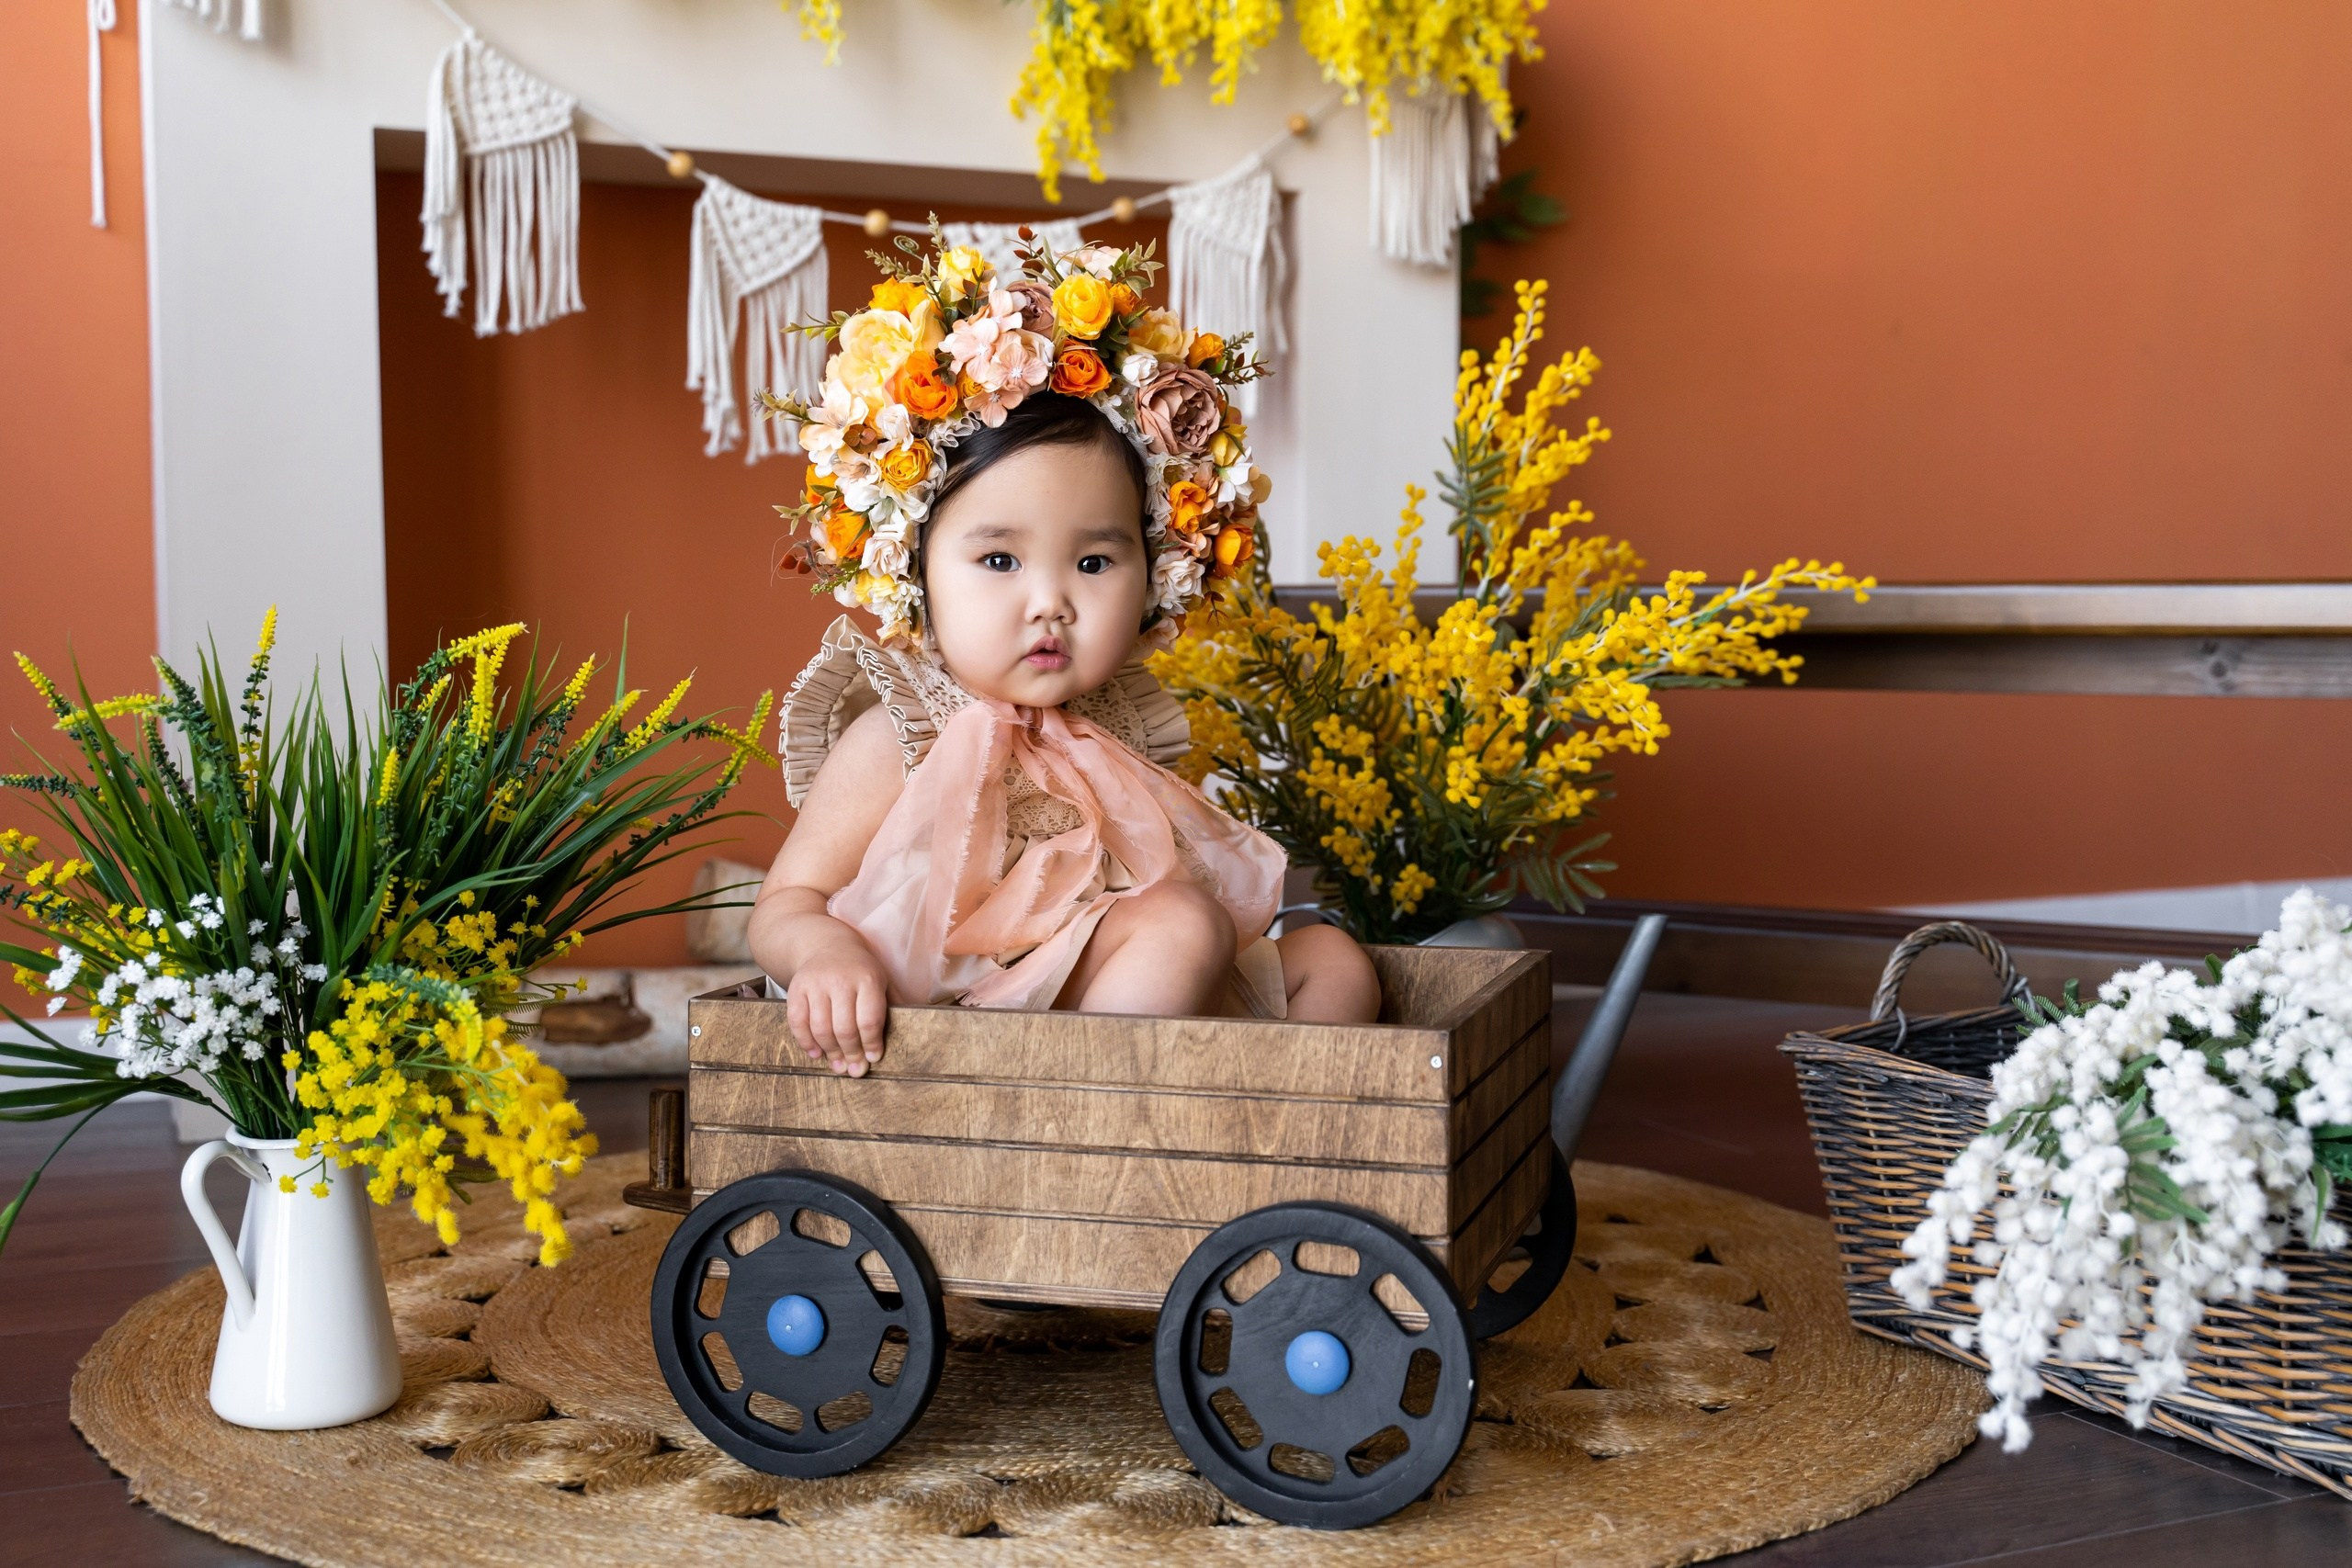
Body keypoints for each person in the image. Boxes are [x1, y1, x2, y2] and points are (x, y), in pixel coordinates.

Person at [746, 237, 1379, 1075]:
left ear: (1154, 573)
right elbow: (785, 903)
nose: (1052, 601)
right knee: (1183, 922)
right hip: (966, 1027)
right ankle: (1095, 1151)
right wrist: (823, 953)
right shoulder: (901, 735)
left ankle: (1270, 1134)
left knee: (1331, 959)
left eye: (1093, 562)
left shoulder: (1117, 721)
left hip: (1103, 988)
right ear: (915, 573)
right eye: (1000, 560)